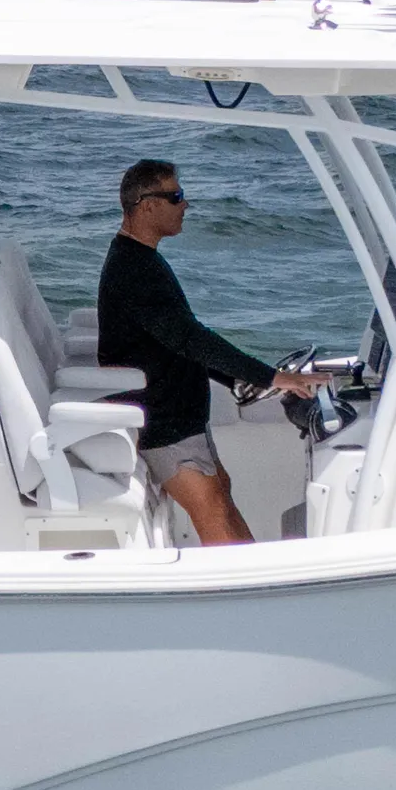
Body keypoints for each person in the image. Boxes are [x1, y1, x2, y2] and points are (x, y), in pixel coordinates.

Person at [97, 158, 306, 546]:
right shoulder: (134, 271)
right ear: (148, 205)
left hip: (182, 416)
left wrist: (239, 378)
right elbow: (190, 339)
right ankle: (245, 601)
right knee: (212, 512)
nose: (186, 204)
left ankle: (262, 583)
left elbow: (178, 339)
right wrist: (271, 377)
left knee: (221, 493)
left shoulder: (143, 260)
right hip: (164, 422)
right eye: (176, 196)